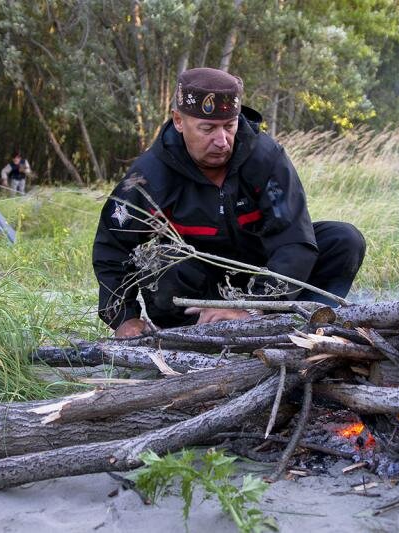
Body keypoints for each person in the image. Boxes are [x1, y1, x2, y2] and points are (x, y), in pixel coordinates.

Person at [93, 67, 366, 338]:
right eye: (208, 128)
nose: (222, 141)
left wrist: (253, 307)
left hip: (262, 282)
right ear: (179, 121)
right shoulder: (149, 176)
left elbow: (293, 241)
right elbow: (112, 247)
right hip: (195, 296)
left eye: (229, 126)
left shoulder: (267, 160)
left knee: (343, 239)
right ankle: (191, 335)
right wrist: (124, 318)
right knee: (163, 260)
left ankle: (300, 322)